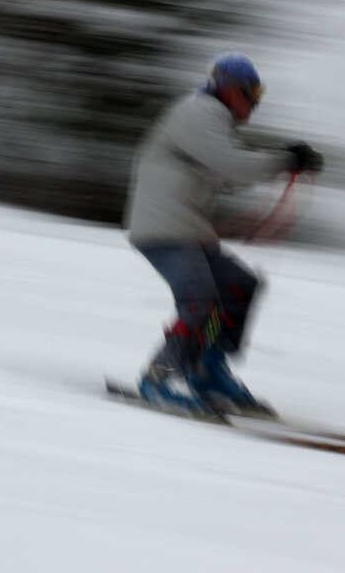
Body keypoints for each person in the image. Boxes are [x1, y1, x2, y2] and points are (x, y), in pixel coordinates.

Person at [123, 51, 324, 414]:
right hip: (164, 230)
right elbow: (231, 163)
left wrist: (284, 163)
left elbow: (226, 176)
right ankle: (158, 379)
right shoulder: (198, 111)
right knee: (201, 299)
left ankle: (206, 370)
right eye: (252, 93)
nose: (255, 103)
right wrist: (283, 159)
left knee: (239, 286)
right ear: (229, 88)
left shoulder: (211, 122)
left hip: (187, 231)